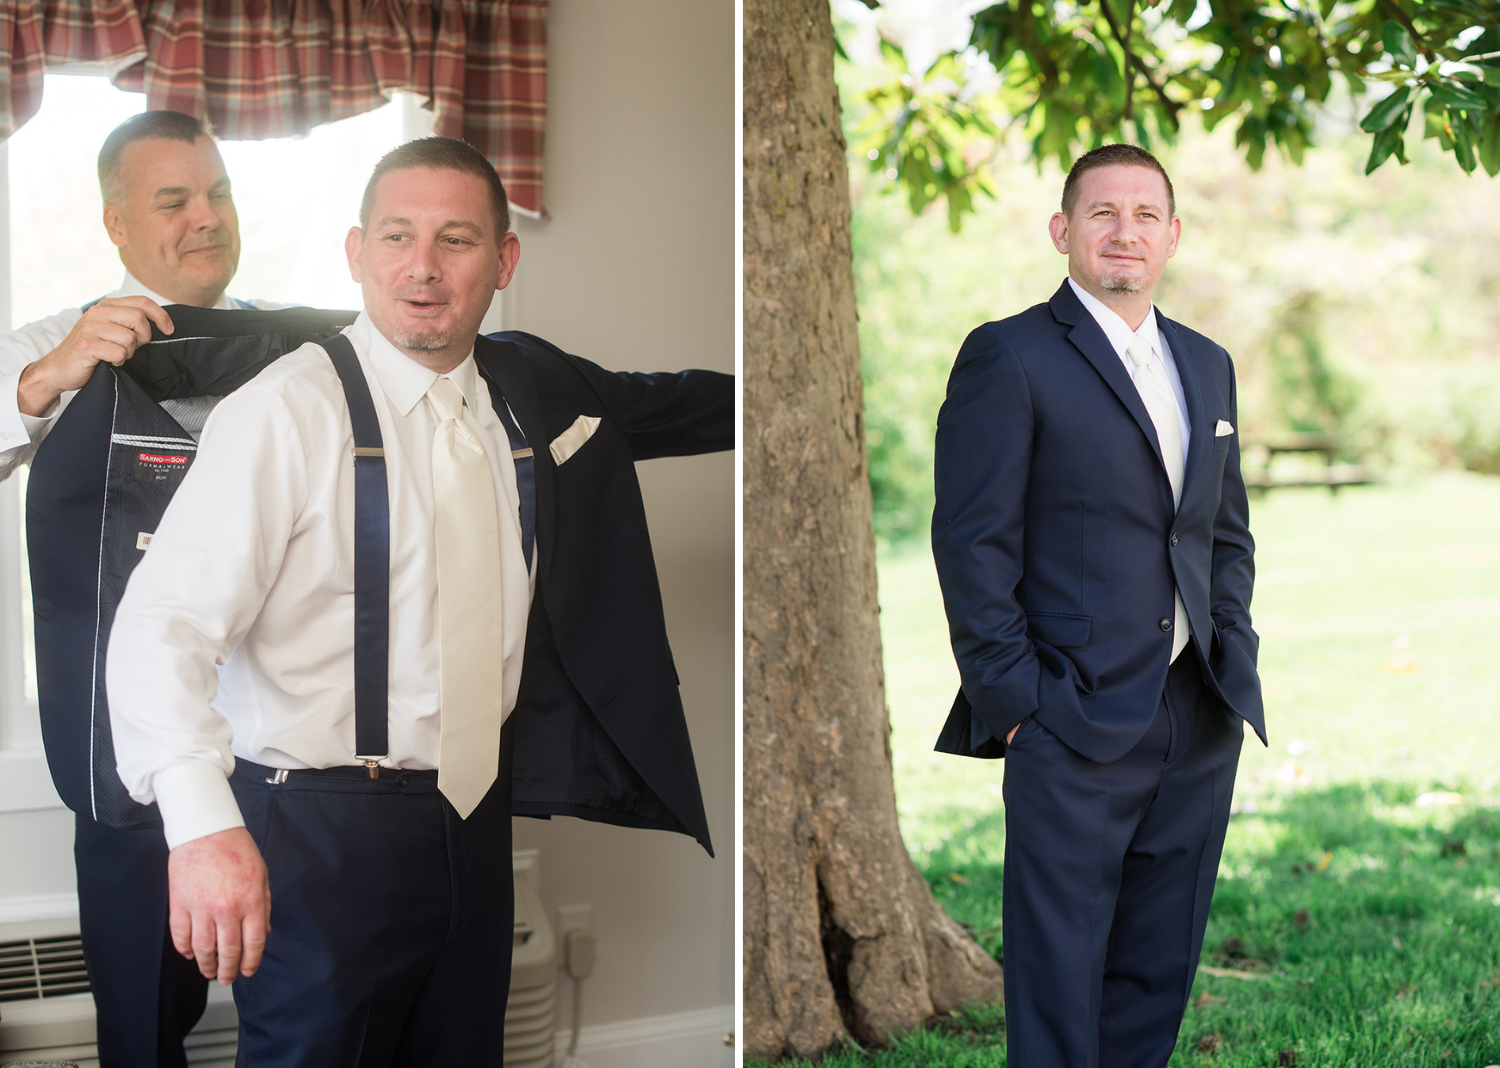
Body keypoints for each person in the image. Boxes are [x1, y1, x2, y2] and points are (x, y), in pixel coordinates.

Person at [106, 136, 731, 1065]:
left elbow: (664, 405)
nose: (424, 269)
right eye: (397, 237)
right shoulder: (283, 412)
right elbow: (162, 631)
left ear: (504, 261)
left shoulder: (528, 394)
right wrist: (201, 828)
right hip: (316, 834)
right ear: (357, 253)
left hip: (474, 822)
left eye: (457, 239)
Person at [931, 143, 1264, 1067]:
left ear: (1173, 236)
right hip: (1065, 717)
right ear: (1063, 231)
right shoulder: (1009, 355)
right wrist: (1017, 707)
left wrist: (1232, 648)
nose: (1126, 232)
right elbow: (971, 541)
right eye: (1104, 214)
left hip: (1196, 714)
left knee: (1157, 970)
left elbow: (1222, 532)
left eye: (1146, 216)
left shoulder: (1207, 363)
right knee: (1059, 979)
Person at [0, 109, 282, 1068]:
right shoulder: (51, 344)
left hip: (284, 745)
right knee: (143, 1025)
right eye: (175, 200)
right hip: (123, 754)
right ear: (117, 224)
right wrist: (45, 380)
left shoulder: (301, 358)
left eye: (220, 193)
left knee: (308, 1003)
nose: (207, 218)